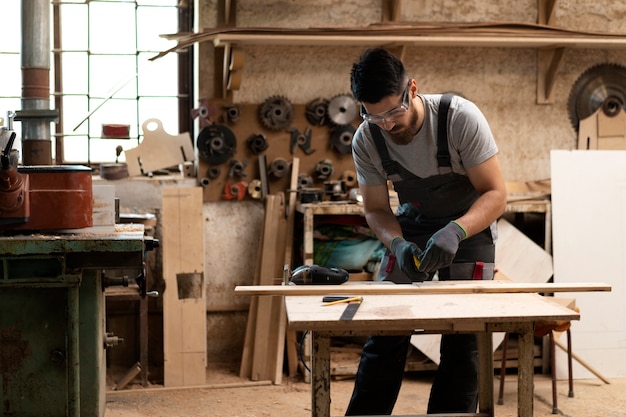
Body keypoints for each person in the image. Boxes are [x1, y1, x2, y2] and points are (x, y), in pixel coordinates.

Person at [345, 47, 507, 415]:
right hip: (411, 228)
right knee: (384, 333)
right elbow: (374, 209)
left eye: (393, 111)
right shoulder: (367, 139)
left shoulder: (459, 119)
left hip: (469, 229)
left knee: (464, 344)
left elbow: (496, 195)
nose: (387, 124)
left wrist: (456, 231)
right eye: (374, 116)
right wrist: (397, 244)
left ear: (412, 89)